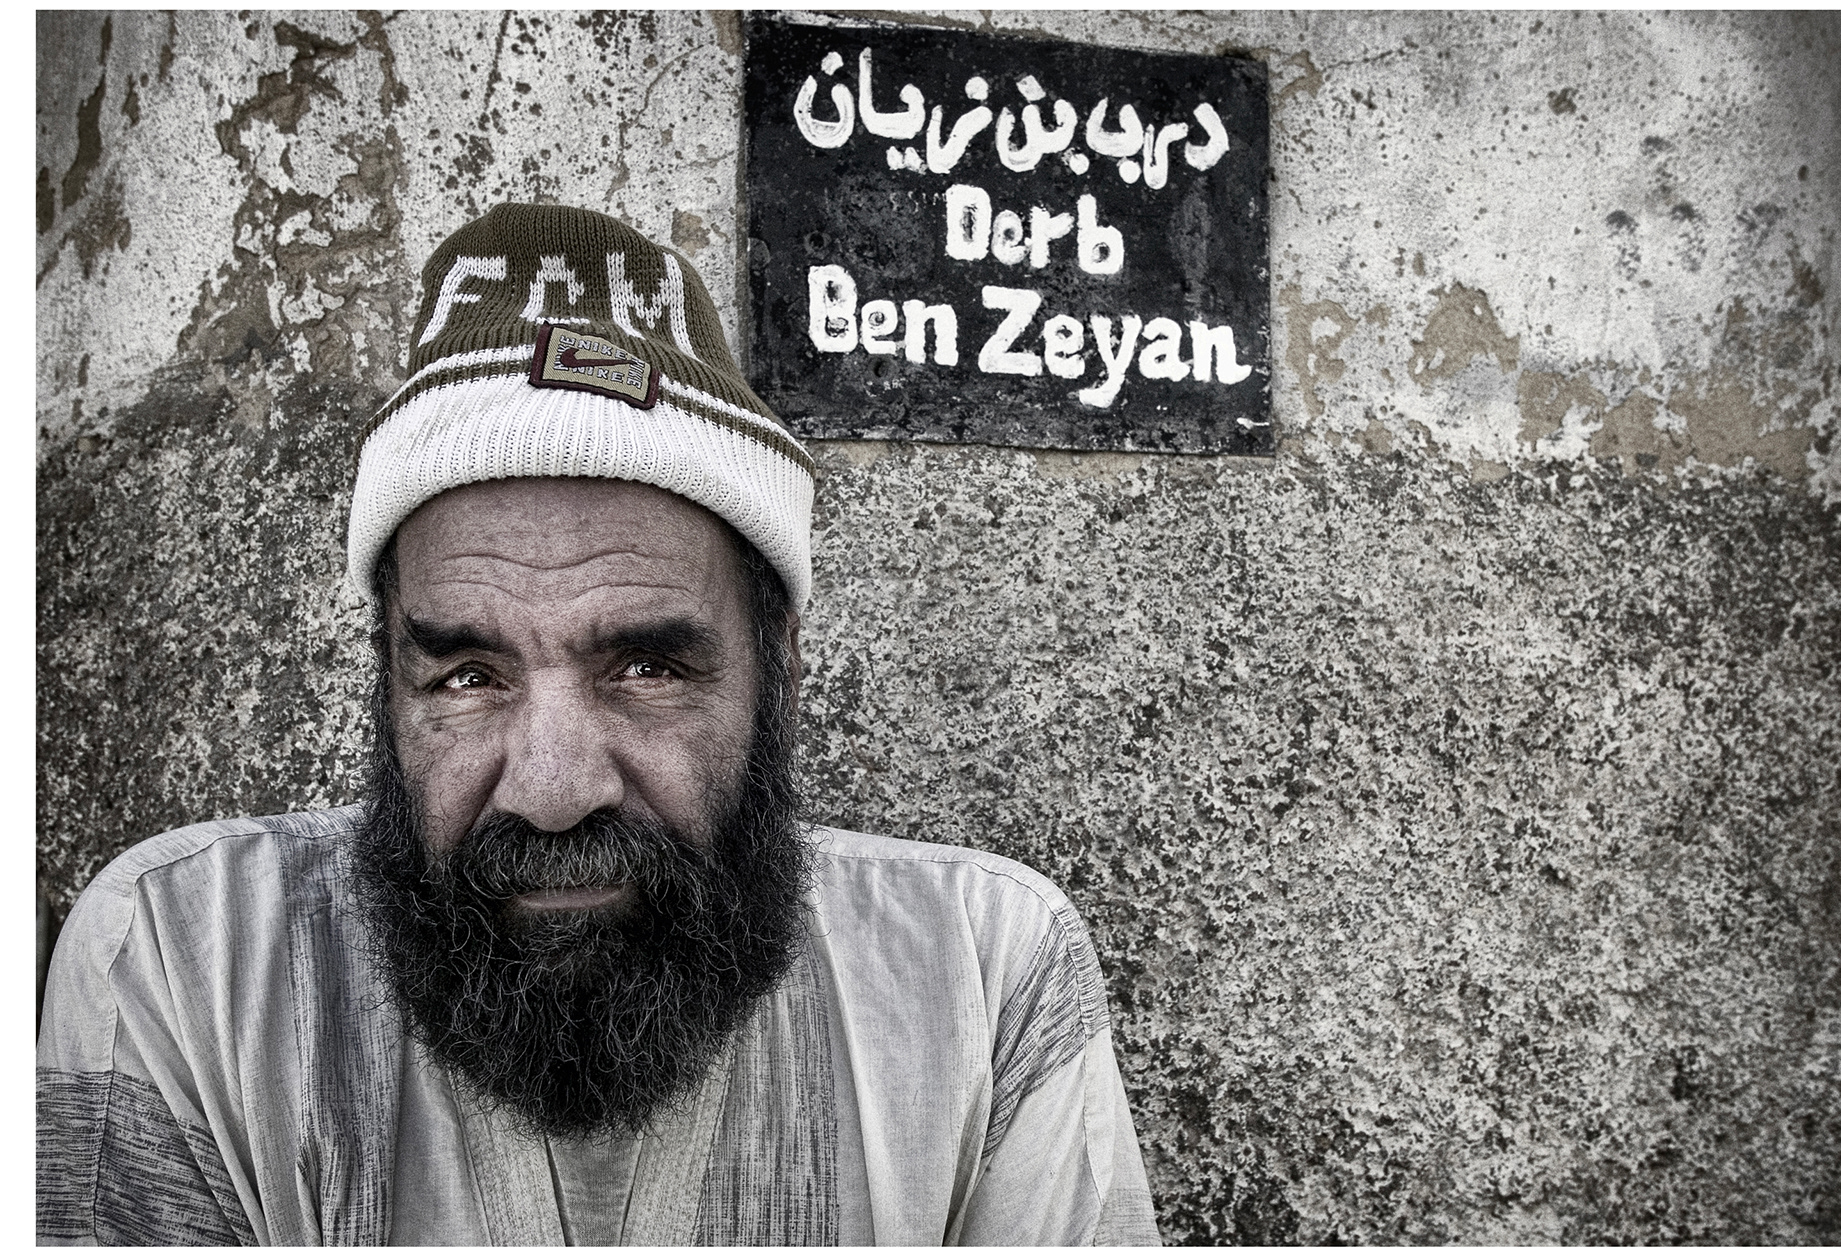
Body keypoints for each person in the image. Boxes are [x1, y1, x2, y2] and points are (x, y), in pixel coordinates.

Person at [35, 203, 1160, 1246]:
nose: (553, 788)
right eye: (467, 676)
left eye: (647, 667)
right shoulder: (183, 958)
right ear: (387, 681)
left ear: (780, 669)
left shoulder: (983, 974)